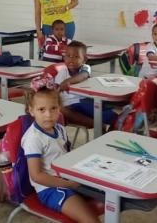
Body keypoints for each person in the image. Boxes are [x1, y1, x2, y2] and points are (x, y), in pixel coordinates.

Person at [22, 75, 99, 223]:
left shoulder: (59, 128)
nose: (48, 115)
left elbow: (65, 154)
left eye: (53, 109)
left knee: (111, 196)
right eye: (41, 110)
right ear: (31, 111)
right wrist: (68, 184)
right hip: (50, 189)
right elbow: (36, 176)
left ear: (60, 109)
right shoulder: (33, 138)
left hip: (67, 179)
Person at [55, 41, 118, 128]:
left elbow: (82, 76)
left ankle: (115, 124)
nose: (71, 59)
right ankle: (100, 126)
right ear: (64, 58)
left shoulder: (85, 68)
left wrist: (66, 82)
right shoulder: (62, 72)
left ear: (84, 60)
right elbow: (55, 91)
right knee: (62, 110)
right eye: (68, 56)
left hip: (84, 100)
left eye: (76, 57)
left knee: (106, 113)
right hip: (69, 104)